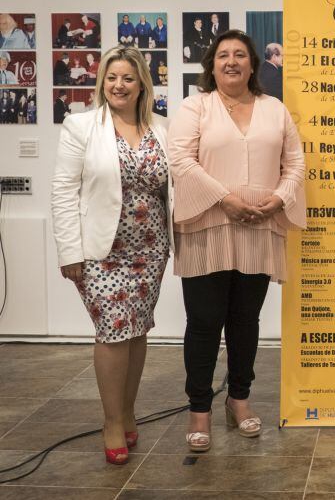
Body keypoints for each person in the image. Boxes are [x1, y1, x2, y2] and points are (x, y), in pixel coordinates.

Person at [168, 29, 305, 452]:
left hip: (260, 226)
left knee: (246, 323)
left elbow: (296, 162)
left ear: (252, 65)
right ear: (211, 64)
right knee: (205, 323)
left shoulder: (274, 108)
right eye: (223, 55)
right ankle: (199, 410)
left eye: (240, 55)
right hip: (207, 224)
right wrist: (225, 199)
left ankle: (239, 400)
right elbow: (180, 160)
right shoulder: (195, 106)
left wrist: (279, 199)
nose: (231, 61)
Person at [51, 45, 173, 465]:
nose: (118, 85)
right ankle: (111, 421)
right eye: (111, 77)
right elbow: (63, 190)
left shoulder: (162, 127)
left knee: (136, 330)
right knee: (113, 330)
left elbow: (168, 189)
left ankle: (127, 410)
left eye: (127, 78)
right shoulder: (81, 125)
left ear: (142, 84)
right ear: (102, 82)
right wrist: (69, 250)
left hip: (151, 249)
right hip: (101, 251)